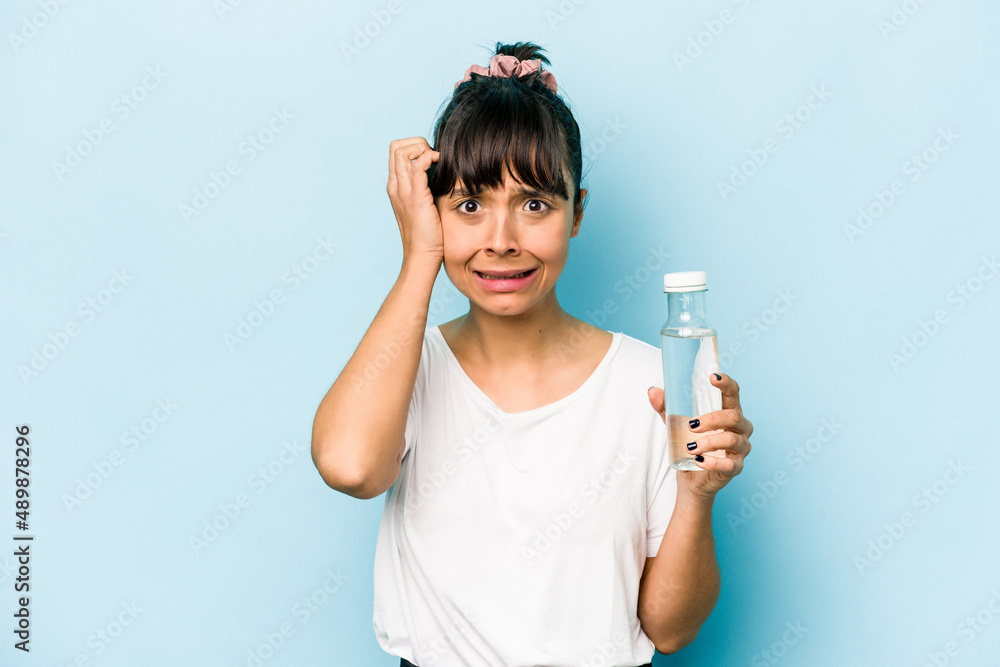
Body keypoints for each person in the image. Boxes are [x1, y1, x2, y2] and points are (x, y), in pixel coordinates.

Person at [311, 41, 754, 667]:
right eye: (469, 205)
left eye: (536, 205)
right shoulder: (407, 368)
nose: (501, 241)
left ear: (577, 214)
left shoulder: (653, 384)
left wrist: (699, 493)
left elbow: (671, 629)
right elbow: (350, 467)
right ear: (433, 215)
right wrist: (419, 259)